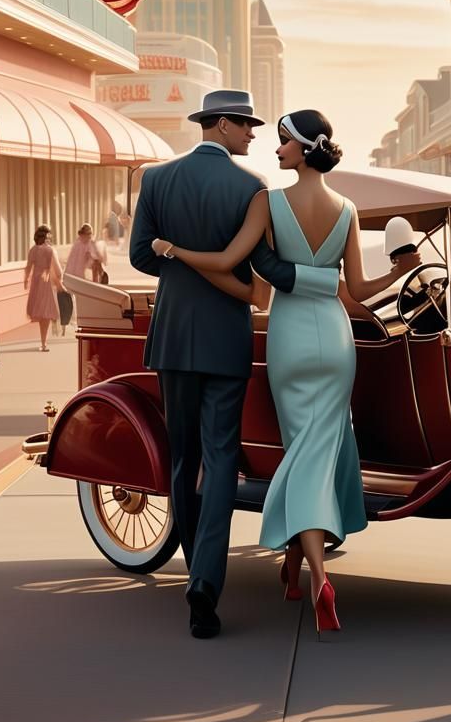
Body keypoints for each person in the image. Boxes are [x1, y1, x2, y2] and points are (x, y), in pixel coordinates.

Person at [152, 107, 420, 639]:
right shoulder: (347, 209)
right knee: (320, 451)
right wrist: (398, 273)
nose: (276, 149)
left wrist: (174, 250)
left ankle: (318, 576)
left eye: (282, 141)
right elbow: (355, 291)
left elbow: (228, 259)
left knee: (301, 453)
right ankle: (295, 567)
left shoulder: (269, 202)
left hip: (292, 337)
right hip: (337, 340)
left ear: (302, 148)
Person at [129, 90, 356, 640]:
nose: (254, 135)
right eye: (248, 126)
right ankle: (205, 586)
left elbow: (140, 255)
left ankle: (195, 569)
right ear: (224, 125)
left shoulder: (156, 179)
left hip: (174, 339)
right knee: (221, 460)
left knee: (183, 459)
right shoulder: (251, 188)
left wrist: (176, 258)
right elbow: (258, 280)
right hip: (228, 344)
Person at [24, 225, 64, 351]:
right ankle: (44, 343)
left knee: (42, 313)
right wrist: (59, 279)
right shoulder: (50, 250)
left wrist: (26, 280)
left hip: (36, 282)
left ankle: (43, 342)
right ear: (48, 236)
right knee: (47, 313)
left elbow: (28, 267)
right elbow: (58, 270)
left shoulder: (33, 250)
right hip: (47, 282)